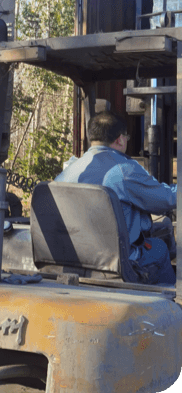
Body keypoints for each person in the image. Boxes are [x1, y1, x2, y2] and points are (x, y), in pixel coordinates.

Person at [55, 111, 176, 285]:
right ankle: (173, 306)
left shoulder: (70, 170)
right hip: (115, 262)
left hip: (74, 257)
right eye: (126, 137)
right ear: (120, 139)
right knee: (159, 248)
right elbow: (166, 199)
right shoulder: (124, 170)